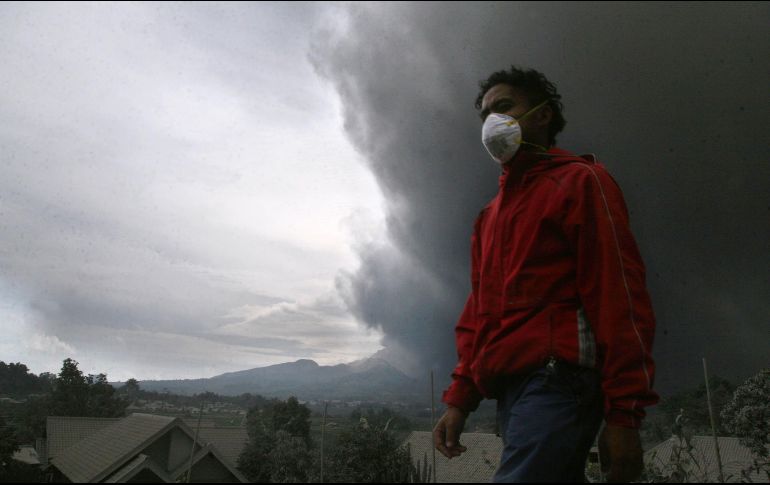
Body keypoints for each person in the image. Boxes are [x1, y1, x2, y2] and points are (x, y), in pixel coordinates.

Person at [433, 66, 659, 483]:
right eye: (485, 115)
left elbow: (618, 294)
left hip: (558, 379)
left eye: (504, 107)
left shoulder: (581, 182)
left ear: (543, 115)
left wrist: (625, 415)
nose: (491, 123)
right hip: (511, 388)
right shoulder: (490, 215)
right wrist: (459, 401)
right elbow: (480, 313)